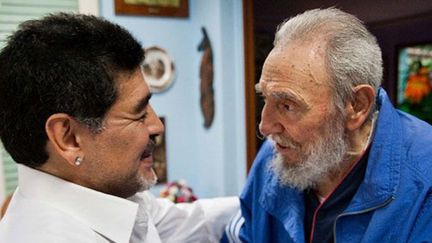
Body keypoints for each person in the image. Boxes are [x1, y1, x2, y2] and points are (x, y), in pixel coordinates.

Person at [0, 13, 238, 243]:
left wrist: (263, 195)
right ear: (69, 138)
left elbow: (191, 222)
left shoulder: (107, 192)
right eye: (139, 113)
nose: (157, 126)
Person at [223, 7, 432, 243]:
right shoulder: (274, 157)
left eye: (287, 105)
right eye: (265, 98)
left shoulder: (424, 182)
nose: (265, 126)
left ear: (356, 105)